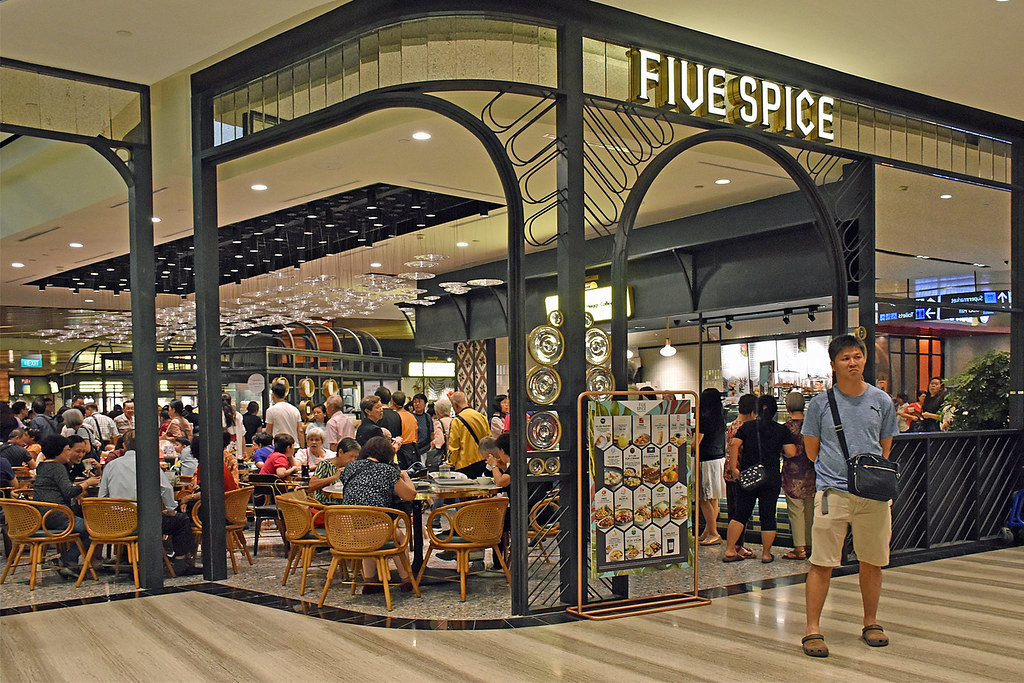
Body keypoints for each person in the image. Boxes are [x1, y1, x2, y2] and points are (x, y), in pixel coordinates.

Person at [800, 334, 899, 658]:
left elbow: (885, 446)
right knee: (822, 563)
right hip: (833, 493)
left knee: (873, 562)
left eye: (857, 356)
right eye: (845, 358)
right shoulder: (820, 404)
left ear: (864, 359)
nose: (852, 363)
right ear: (833, 365)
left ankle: (871, 622)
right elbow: (811, 451)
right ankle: (812, 629)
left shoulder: (881, 401)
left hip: (873, 495)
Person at [99, 430, 201, 575]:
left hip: (118, 523)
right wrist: (171, 508)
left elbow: (102, 496)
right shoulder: (149, 464)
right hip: (145, 522)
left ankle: (125, 558)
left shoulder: (110, 466)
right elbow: (165, 489)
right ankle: (180, 562)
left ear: (124, 445)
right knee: (181, 520)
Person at [339, 435, 417, 593]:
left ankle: (370, 581)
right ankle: (406, 579)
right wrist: (406, 477)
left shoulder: (351, 467)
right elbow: (409, 495)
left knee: (369, 528)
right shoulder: (387, 471)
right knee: (396, 535)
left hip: (344, 531)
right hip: (374, 530)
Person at [723, 395, 796, 563]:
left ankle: (729, 550)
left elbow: (734, 444)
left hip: (748, 476)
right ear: (774, 411)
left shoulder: (747, 427)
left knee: (741, 513)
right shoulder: (781, 429)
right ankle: (766, 554)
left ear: (756, 409)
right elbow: (791, 452)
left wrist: (734, 468)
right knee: (768, 515)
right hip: (770, 477)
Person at [32, 435, 101, 574]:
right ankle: (67, 560)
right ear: (59, 451)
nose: (69, 453)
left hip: (41, 514)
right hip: (57, 515)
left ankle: (70, 562)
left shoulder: (43, 465)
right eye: (68, 449)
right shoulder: (57, 467)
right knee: (92, 529)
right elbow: (69, 491)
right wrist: (87, 483)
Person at [781, 391, 815, 560]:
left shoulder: (786, 428)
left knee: (796, 511)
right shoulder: (811, 425)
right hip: (811, 472)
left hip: (792, 474)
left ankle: (799, 548)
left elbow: (787, 452)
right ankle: (810, 545)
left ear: (787, 407)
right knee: (810, 510)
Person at [725, 393, 757, 559]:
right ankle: (737, 546)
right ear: (752, 412)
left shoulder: (732, 425)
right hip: (739, 472)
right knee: (741, 512)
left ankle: (736, 544)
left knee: (733, 509)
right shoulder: (744, 427)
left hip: (729, 472)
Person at [695, 388, 726, 545]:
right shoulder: (721, 417)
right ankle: (708, 530)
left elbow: (695, 444)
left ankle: (713, 533)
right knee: (713, 497)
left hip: (705, 461)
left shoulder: (704, 418)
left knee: (703, 498)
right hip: (718, 460)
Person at [447, 391, 489, 478]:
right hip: (483, 461)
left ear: (455, 404)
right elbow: (489, 438)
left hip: (465, 465)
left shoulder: (457, 421)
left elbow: (454, 445)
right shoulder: (481, 417)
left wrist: (450, 463)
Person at [310, 437, 360, 505]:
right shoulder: (325, 465)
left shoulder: (352, 467)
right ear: (340, 452)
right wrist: (334, 477)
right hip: (325, 506)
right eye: (351, 456)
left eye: (356, 457)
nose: (353, 460)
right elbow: (312, 485)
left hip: (345, 505)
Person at [265, 383, 303, 448]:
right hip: (294, 446)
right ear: (285, 395)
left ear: (273, 395)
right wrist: (302, 447)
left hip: (278, 446)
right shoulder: (295, 409)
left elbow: (268, 432)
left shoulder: (271, 410)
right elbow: (300, 430)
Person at [393, 391, 418, 469]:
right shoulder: (412, 417)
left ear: (393, 402)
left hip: (400, 450)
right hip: (412, 450)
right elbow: (416, 434)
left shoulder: (396, 417)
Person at [410, 393, 434, 465]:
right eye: (415, 402)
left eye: (419, 402)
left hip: (425, 449)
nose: (417, 404)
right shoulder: (410, 416)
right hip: (413, 450)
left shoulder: (428, 417)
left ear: (425, 404)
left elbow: (432, 433)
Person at [221, 393, 245, 462]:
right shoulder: (238, 416)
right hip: (237, 450)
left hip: (224, 451)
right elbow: (243, 435)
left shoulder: (219, 416)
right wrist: (244, 452)